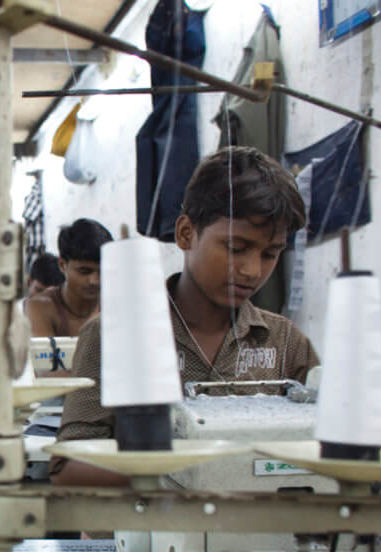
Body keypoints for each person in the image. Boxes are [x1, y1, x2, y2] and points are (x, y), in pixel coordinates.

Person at [53, 147, 320, 486]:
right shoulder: (113, 336)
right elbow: (68, 468)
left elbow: (325, 451)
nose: (253, 270)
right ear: (185, 234)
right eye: (235, 248)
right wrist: (186, 475)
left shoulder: (285, 342)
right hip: (145, 533)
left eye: (270, 254)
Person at [26, 219, 114, 338]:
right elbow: (44, 356)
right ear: (62, 265)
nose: (94, 281)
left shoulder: (114, 306)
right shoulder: (40, 307)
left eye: (101, 271)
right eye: (84, 271)